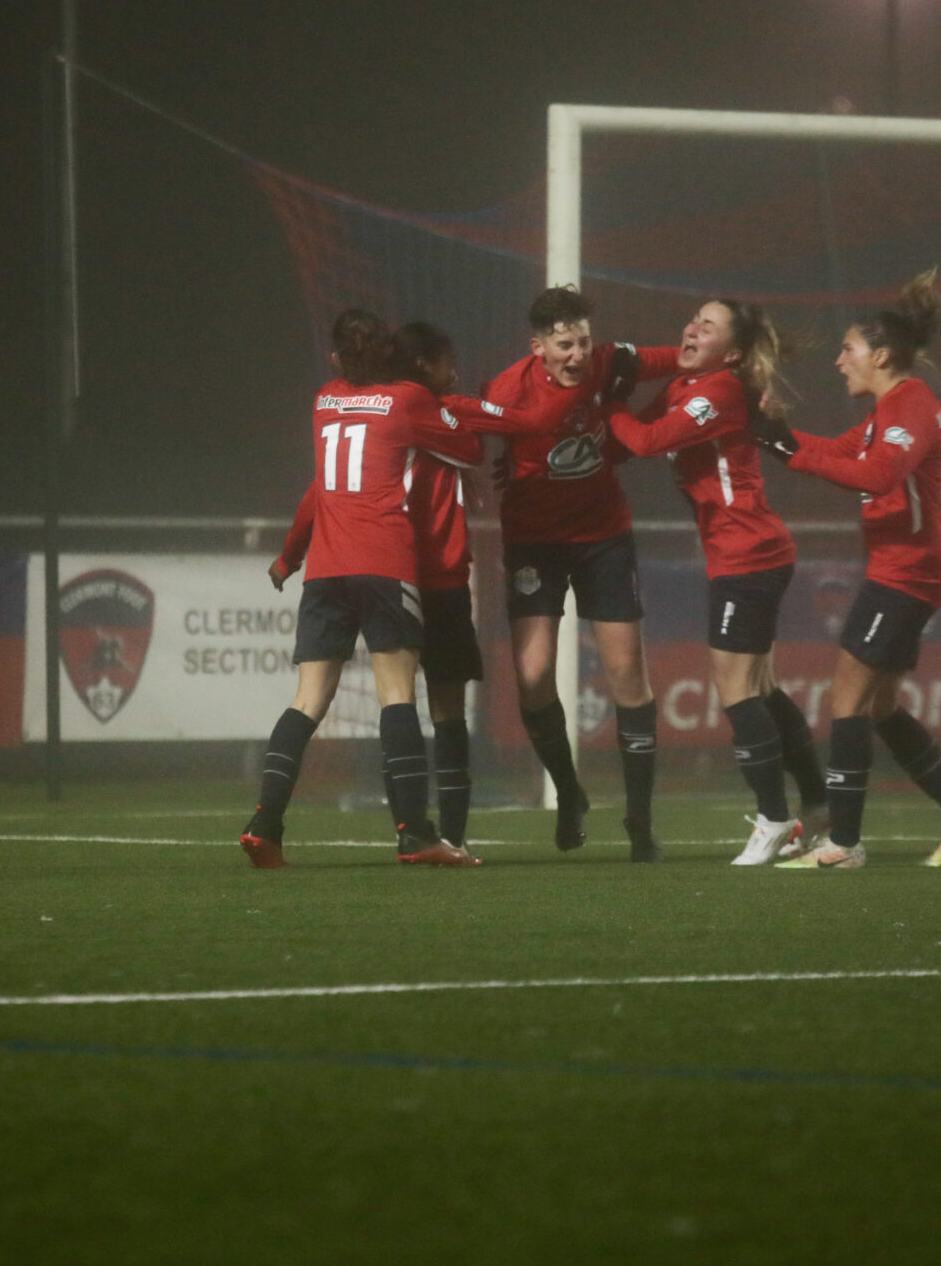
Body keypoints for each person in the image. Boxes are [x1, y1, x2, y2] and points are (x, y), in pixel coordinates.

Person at [747, 271, 941, 870]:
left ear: (880, 355)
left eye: (849, 350)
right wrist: (773, 436)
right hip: (907, 567)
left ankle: (844, 844)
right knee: (878, 705)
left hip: (908, 570)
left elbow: (878, 473)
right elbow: (838, 451)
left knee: (847, 697)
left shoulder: (911, 403)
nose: (839, 361)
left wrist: (787, 448)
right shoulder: (892, 407)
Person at [272, 322, 548, 853]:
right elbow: (482, 442)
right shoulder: (424, 410)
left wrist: (290, 554)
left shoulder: (359, 407)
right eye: (448, 363)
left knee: (408, 706)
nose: (457, 374)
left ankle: (434, 836)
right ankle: (435, 837)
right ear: (425, 368)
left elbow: (318, 490)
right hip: (422, 577)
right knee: (431, 709)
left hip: (391, 574)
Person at [242, 308, 486, 869]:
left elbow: (320, 486)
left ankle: (266, 823)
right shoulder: (406, 399)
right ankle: (415, 834)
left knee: (308, 700)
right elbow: (469, 450)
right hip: (383, 560)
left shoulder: (323, 401)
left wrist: (288, 556)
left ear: (336, 358)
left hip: (326, 568)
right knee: (396, 694)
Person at [605, 298, 828, 865]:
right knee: (762, 685)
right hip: (745, 553)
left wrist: (604, 400)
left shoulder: (720, 391)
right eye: (692, 320)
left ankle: (776, 820)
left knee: (736, 690)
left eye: (708, 326)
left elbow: (648, 441)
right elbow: (630, 440)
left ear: (730, 351)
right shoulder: (688, 386)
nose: (691, 328)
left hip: (748, 553)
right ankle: (821, 808)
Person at [482, 286, 680, 859]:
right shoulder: (507, 390)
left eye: (583, 343)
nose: (576, 355)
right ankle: (570, 794)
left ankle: (640, 823)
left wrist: (729, 350)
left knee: (626, 676)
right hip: (535, 545)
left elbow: (677, 360)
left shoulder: (609, 363)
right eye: (565, 345)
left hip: (603, 539)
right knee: (533, 673)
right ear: (538, 346)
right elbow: (460, 426)